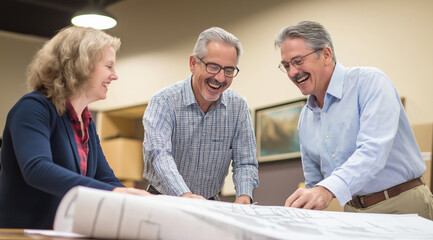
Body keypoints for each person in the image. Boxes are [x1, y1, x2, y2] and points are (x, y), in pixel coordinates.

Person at [274, 21, 433, 219]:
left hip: (401, 206)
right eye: (286, 65)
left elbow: (373, 151)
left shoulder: (370, 83)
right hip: (353, 212)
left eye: (298, 61)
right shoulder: (305, 118)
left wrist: (325, 190)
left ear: (326, 55)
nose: (292, 72)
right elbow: (315, 183)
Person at [0, 26, 151, 229]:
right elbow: (36, 168)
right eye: (108, 66)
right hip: (20, 232)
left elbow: (105, 178)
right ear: (82, 65)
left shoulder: (86, 123)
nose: (114, 76)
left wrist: (143, 201)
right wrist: (115, 194)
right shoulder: (33, 108)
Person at [142, 27, 259, 204]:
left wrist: (244, 195)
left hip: (210, 203)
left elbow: (245, 162)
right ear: (193, 63)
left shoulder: (238, 107)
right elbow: (159, 154)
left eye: (229, 70)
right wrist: (184, 195)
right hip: (162, 200)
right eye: (213, 67)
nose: (220, 78)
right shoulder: (164, 101)